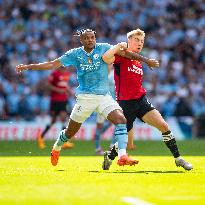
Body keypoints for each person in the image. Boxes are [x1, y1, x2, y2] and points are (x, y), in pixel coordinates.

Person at [17, 29, 154, 167]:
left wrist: (146, 60)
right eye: (87, 38)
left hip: (103, 97)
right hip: (85, 98)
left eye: (92, 37)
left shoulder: (103, 48)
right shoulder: (74, 54)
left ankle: (122, 156)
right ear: (81, 40)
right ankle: (57, 147)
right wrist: (29, 66)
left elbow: (126, 53)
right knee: (70, 132)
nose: (90, 40)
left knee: (121, 120)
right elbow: (53, 64)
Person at [102, 28, 193, 171]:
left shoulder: (138, 62)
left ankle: (178, 158)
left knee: (163, 126)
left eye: (142, 41)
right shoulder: (121, 55)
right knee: (123, 142)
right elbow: (106, 58)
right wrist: (117, 47)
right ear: (129, 41)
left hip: (141, 100)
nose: (140, 43)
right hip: (125, 103)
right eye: (136, 40)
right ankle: (109, 155)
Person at [94, 68, 136, 155]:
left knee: (118, 123)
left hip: (113, 103)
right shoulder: (100, 72)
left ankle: (112, 145)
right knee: (99, 126)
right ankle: (97, 148)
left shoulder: (115, 73)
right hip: (101, 102)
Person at [37, 66, 74, 149]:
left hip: (63, 100)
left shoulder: (67, 74)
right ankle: (41, 137)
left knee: (63, 118)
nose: (64, 69)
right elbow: (48, 85)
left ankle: (64, 142)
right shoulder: (54, 74)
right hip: (55, 100)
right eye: (63, 68)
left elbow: (65, 85)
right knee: (53, 120)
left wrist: (69, 91)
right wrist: (58, 90)